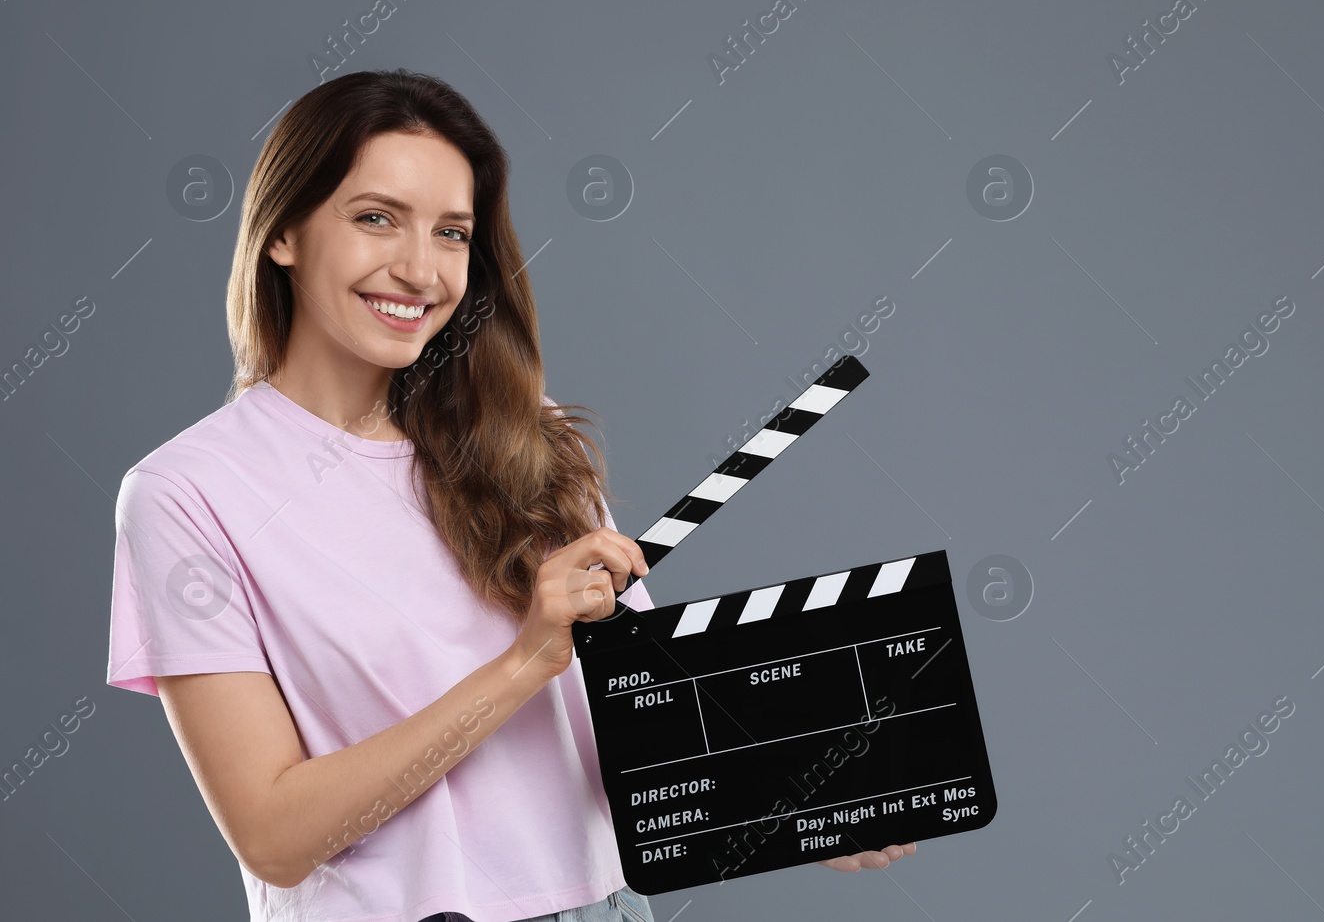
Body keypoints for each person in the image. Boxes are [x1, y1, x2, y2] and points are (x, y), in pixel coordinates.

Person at [105, 68, 912, 922]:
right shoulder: (186, 493)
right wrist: (524, 659)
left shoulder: (530, 437)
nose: (420, 270)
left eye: (452, 233)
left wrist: (787, 792)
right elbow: (271, 833)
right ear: (284, 234)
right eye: (376, 217)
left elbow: (629, 720)